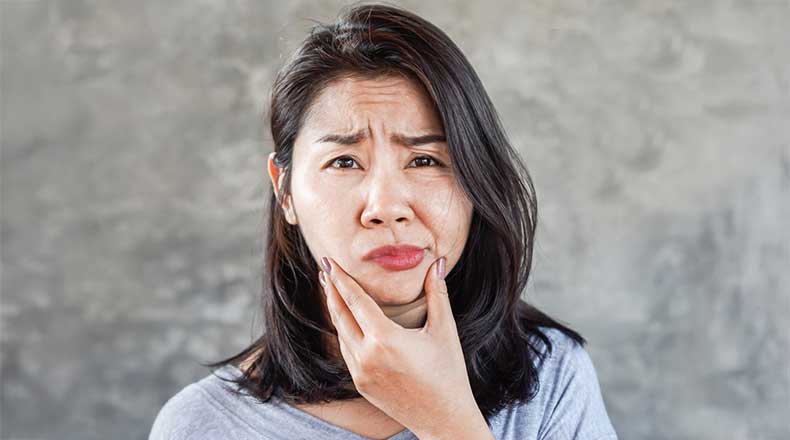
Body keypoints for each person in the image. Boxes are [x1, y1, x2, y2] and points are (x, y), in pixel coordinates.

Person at [149, 3, 618, 439]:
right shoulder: (200, 425)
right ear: (284, 189)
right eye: (344, 162)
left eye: (425, 160)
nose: (387, 206)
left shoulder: (550, 375)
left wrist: (445, 420)